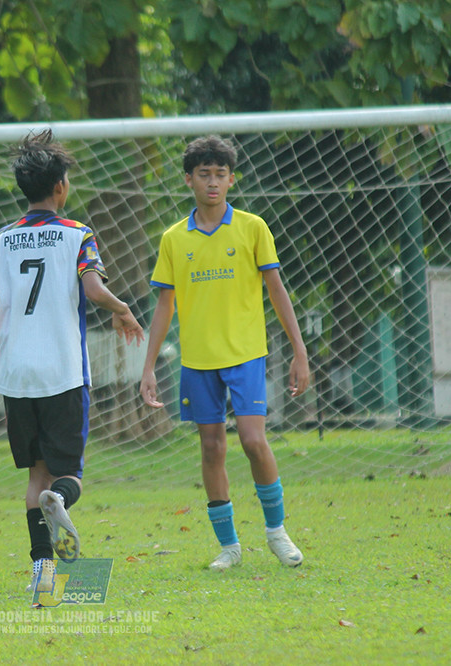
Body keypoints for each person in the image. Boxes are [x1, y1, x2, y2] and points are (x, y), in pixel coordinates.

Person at [0, 129, 144, 591]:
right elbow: (94, 290)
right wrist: (122, 310)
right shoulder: (78, 235)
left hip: (14, 375)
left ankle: (42, 571)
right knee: (66, 476)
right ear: (61, 187)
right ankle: (59, 500)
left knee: (33, 475)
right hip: (61, 372)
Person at [139, 135, 311, 570]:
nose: (212, 183)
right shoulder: (174, 239)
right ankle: (229, 546)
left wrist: (299, 350)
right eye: (204, 175)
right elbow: (164, 306)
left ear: (232, 179)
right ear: (188, 180)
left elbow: (277, 291)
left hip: (247, 355)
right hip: (197, 362)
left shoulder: (253, 228)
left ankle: (277, 533)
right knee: (212, 448)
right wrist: (148, 367)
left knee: (253, 441)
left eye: (220, 175)